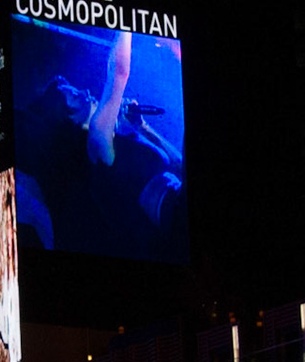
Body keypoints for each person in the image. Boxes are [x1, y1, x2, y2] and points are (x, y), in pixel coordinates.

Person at [20, 29, 185, 260]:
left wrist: (142, 127)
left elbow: (178, 163)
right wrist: (124, 25)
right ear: (69, 119)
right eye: (74, 95)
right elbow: (118, 72)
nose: (85, 92)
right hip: (175, 226)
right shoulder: (97, 143)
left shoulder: (124, 139)